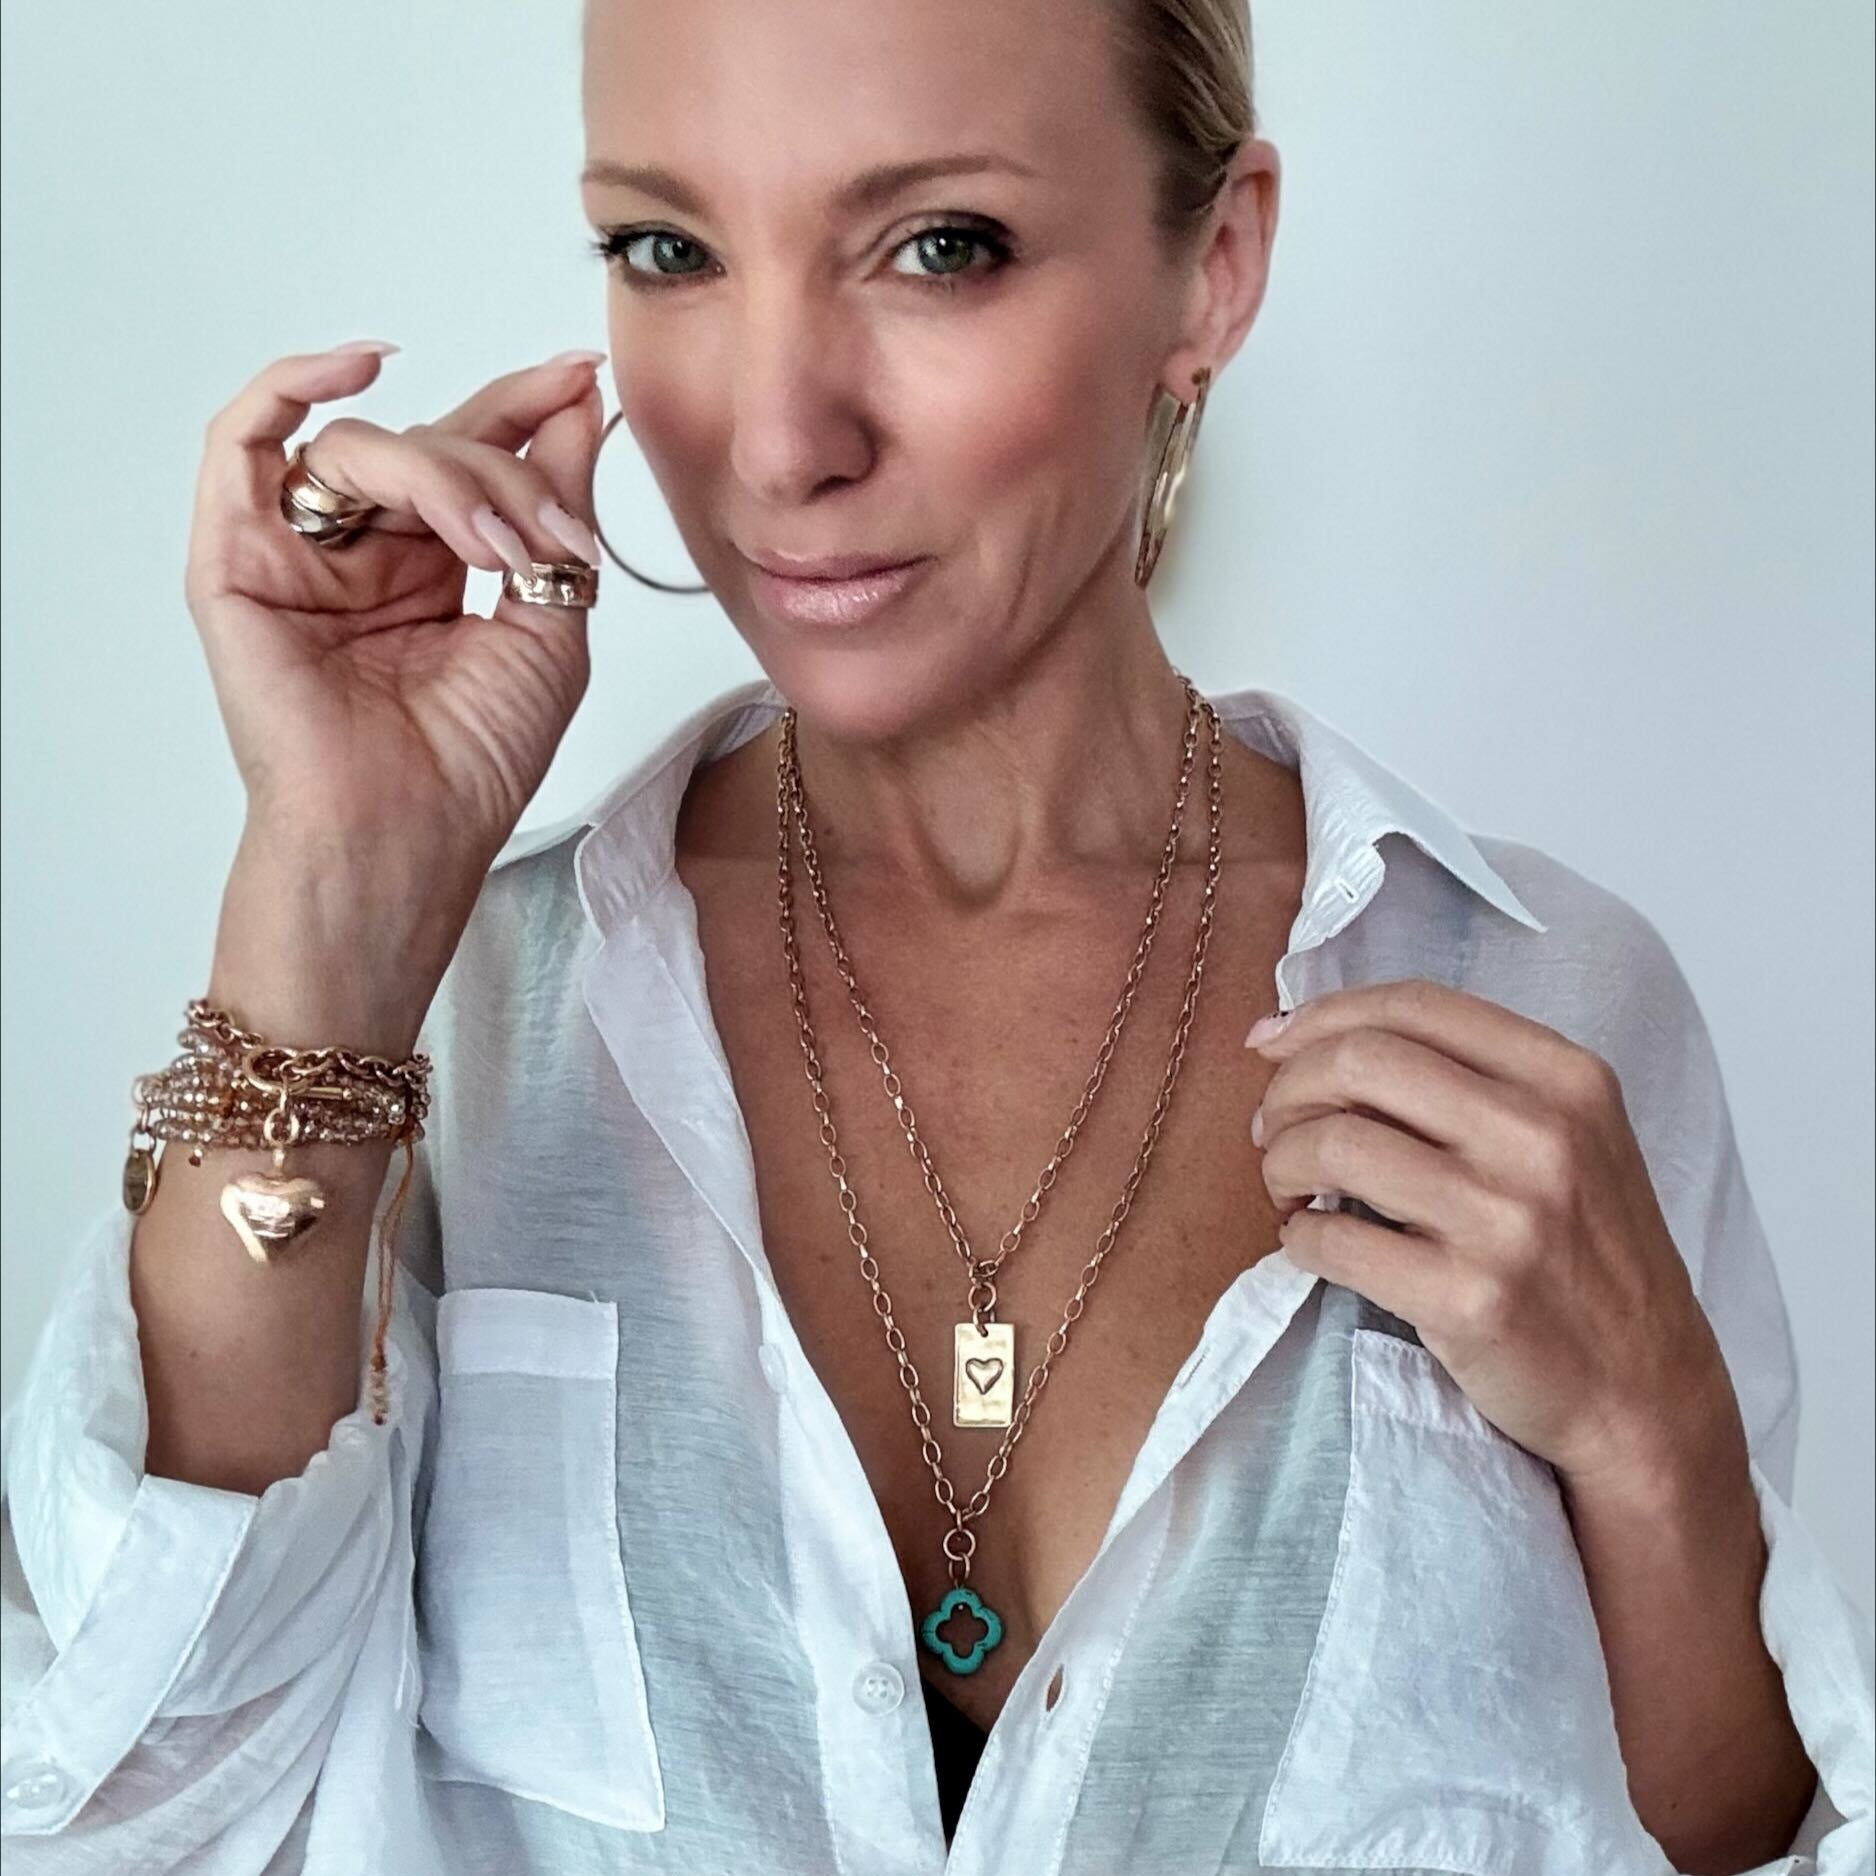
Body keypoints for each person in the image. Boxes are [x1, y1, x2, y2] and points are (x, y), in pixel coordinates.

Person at [2, 0, 1871, 1870]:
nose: (777, 439)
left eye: (939, 247)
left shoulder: (1540, 999)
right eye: (670, 250)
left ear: (1213, 266)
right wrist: (333, 896)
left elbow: (1733, 1845)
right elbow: (129, 1816)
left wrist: (1658, 1440)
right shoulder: (455, 1028)